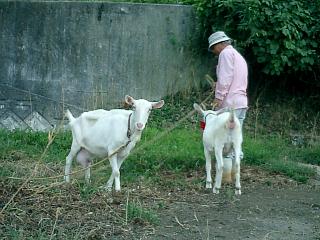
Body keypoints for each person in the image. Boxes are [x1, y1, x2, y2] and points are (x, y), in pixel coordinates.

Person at [208, 31, 248, 128]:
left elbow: (225, 79)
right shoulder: (237, 55)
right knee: (235, 140)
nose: (214, 51)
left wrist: (218, 98)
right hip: (241, 103)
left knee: (223, 138)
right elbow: (234, 78)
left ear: (219, 44)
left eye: (213, 48)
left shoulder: (225, 53)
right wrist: (217, 84)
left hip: (230, 104)